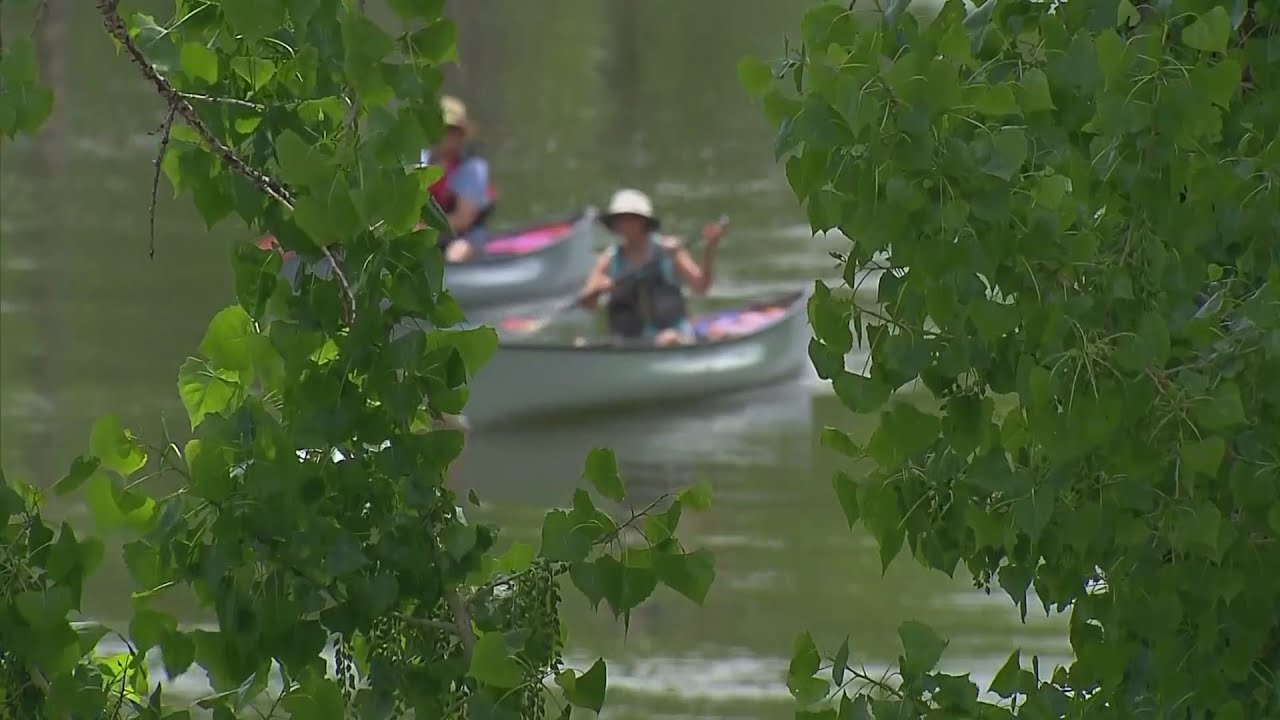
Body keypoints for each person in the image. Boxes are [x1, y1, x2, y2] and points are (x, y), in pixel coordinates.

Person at [578, 189, 725, 347]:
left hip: (673, 338)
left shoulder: (670, 251)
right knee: (580, 343)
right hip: (627, 344)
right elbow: (587, 305)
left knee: (669, 340)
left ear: (643, 222)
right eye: (619, 219)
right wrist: (598, 290)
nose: (623, 224)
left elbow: (701, 287)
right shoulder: (608, 260)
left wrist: (709, 249)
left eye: (630, 219)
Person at [420, 95, 496, 263]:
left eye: (454, 131)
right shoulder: (419, 161)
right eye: (443, 129)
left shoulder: (472, 168)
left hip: (464, 236)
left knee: (456, 254)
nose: (449, 136)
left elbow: (463, 220)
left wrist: (423, 230)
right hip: (424, 234)